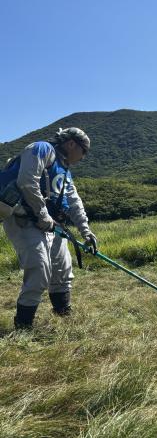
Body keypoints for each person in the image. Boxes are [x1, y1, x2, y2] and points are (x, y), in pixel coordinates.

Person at [1, 127, 98, 330]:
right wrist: (43, 214)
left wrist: (86, 231)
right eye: (84, 151)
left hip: (53, 225)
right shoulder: (41, 149)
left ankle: (62, 313)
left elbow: (73, 201)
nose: (83, 157)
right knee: (39, 270)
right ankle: (24, 326)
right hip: (25, 220)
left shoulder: (64, 170)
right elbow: (27, 181)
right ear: (72, 144)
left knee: (63, 269)